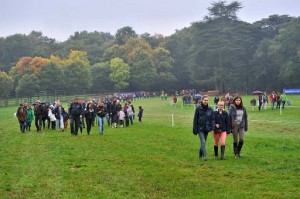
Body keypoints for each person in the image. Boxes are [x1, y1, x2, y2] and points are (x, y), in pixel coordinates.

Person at [193, 95, 215, 161]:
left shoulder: (210, 109)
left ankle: (200, 155)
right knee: (203, 141)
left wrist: (212, 128)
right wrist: (195, 129)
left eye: (207, 100)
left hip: (207, 128)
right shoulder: (198, 109)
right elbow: (195, 119)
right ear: (202, 100)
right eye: (204, 100)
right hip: (200, 128)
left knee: (203, 142)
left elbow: (212, 119)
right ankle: (204, 156)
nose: (206, 101)